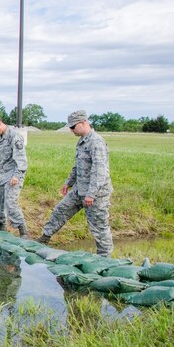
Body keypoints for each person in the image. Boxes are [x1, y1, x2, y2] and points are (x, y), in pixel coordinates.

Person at [37, 110, 114, 257]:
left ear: (84, 123)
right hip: (80, 189)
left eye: (73, 127)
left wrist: (91, 194)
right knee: (60, 211)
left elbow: (100, 172)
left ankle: (105, 257)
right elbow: (78, 166)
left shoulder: (96, 142)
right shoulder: (82, 141)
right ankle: (44, 238)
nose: (71, 130)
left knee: (98, 226)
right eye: (70, 127)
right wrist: (69, 182)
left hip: (95, 194)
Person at [0, 113, 29, 239]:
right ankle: (1, 227)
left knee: (10, 203)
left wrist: (17, 176)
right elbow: (4, 159)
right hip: (3, 175)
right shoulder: (1, 137)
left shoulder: (14, 136)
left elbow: (21, 160)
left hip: (14, 176)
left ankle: (23, 232)